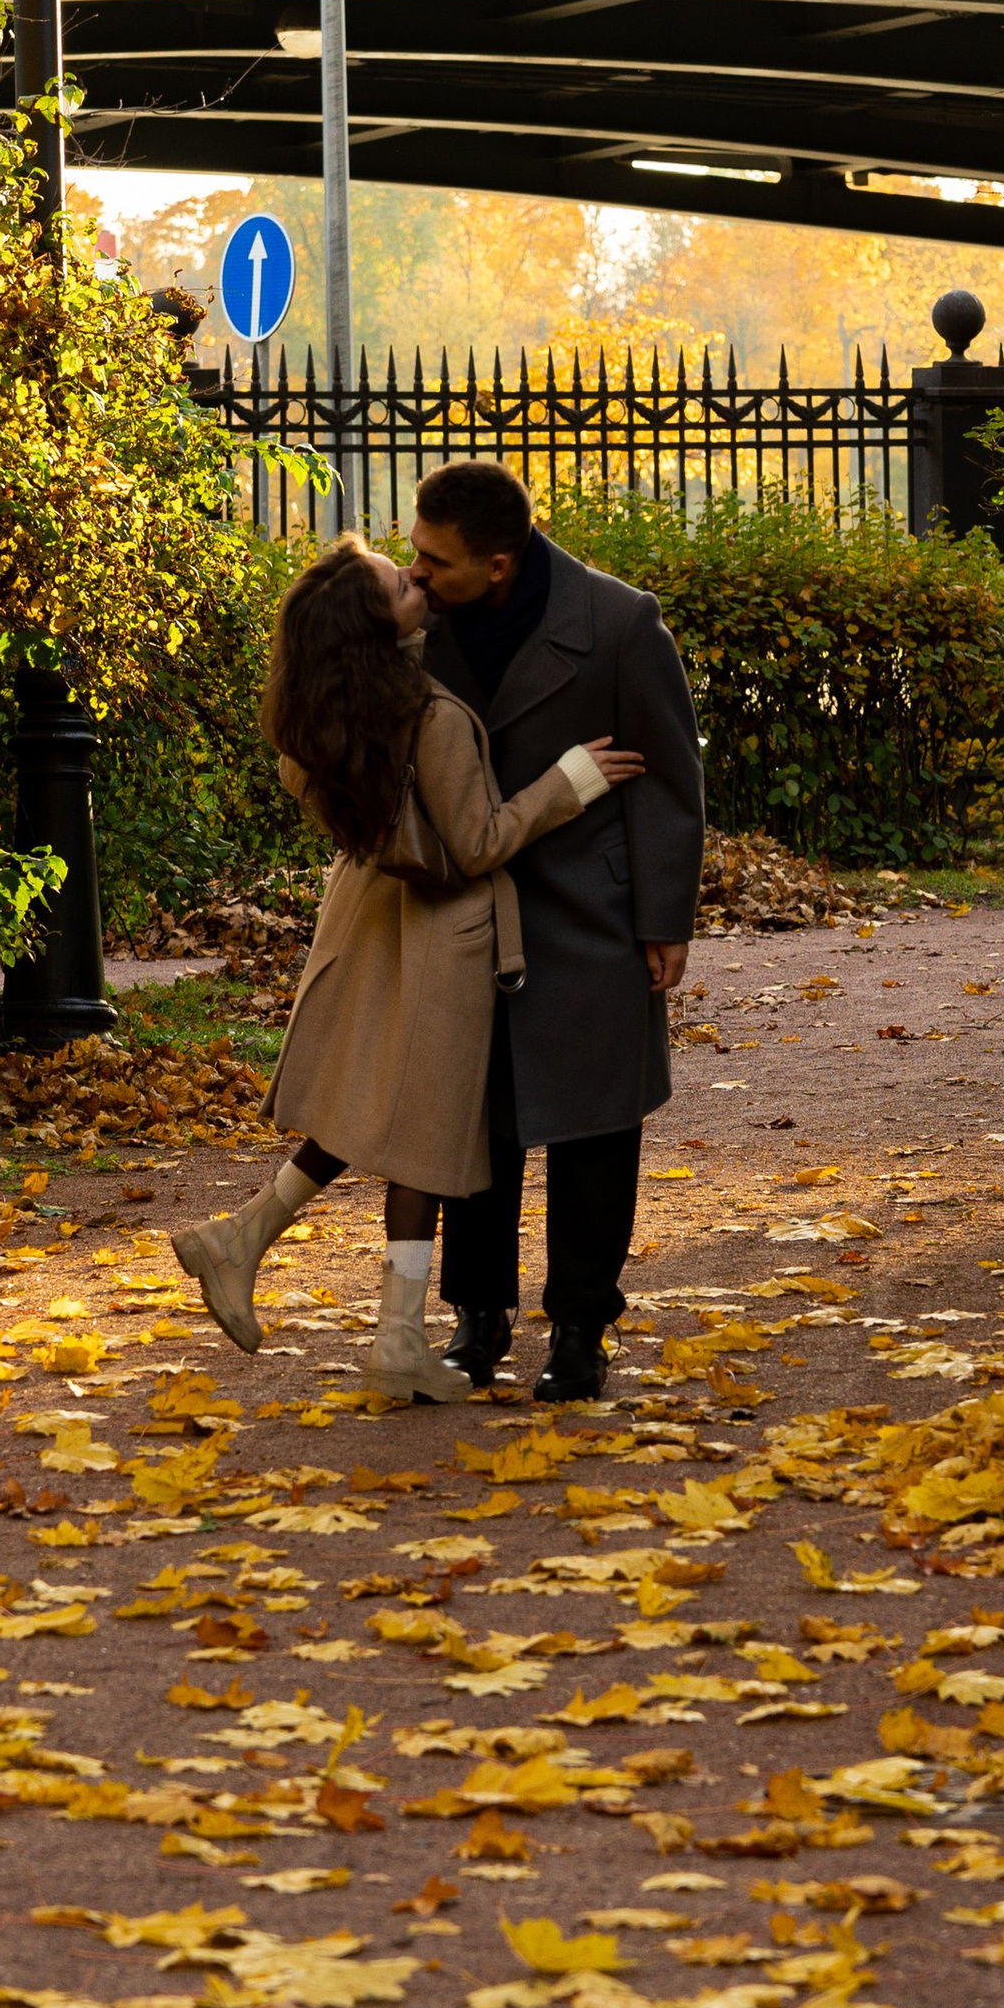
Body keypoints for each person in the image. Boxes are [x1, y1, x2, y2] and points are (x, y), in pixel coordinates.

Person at [169, 532, 645, 1402]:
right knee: (420, 1133)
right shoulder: (429, 718)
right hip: (442, 934)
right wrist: (567, 781)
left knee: (379, 1114)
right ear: (372, 625)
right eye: (399, 582)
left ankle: (250, 1241)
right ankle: (386, 1334)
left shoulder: (328, 716)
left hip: (372, 919)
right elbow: (478, 841)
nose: (415, 574)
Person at [408, 461, 704, 1405]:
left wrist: (663, 918)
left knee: (597, 1125)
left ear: (498, 564)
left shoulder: (618, 621)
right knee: (474, 1121)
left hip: (591, 913)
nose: (414, 575)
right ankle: (477, 1318)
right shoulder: (421, 627)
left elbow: (666, 776)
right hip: (465, 905)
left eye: (433, 563)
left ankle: (581, 1328)